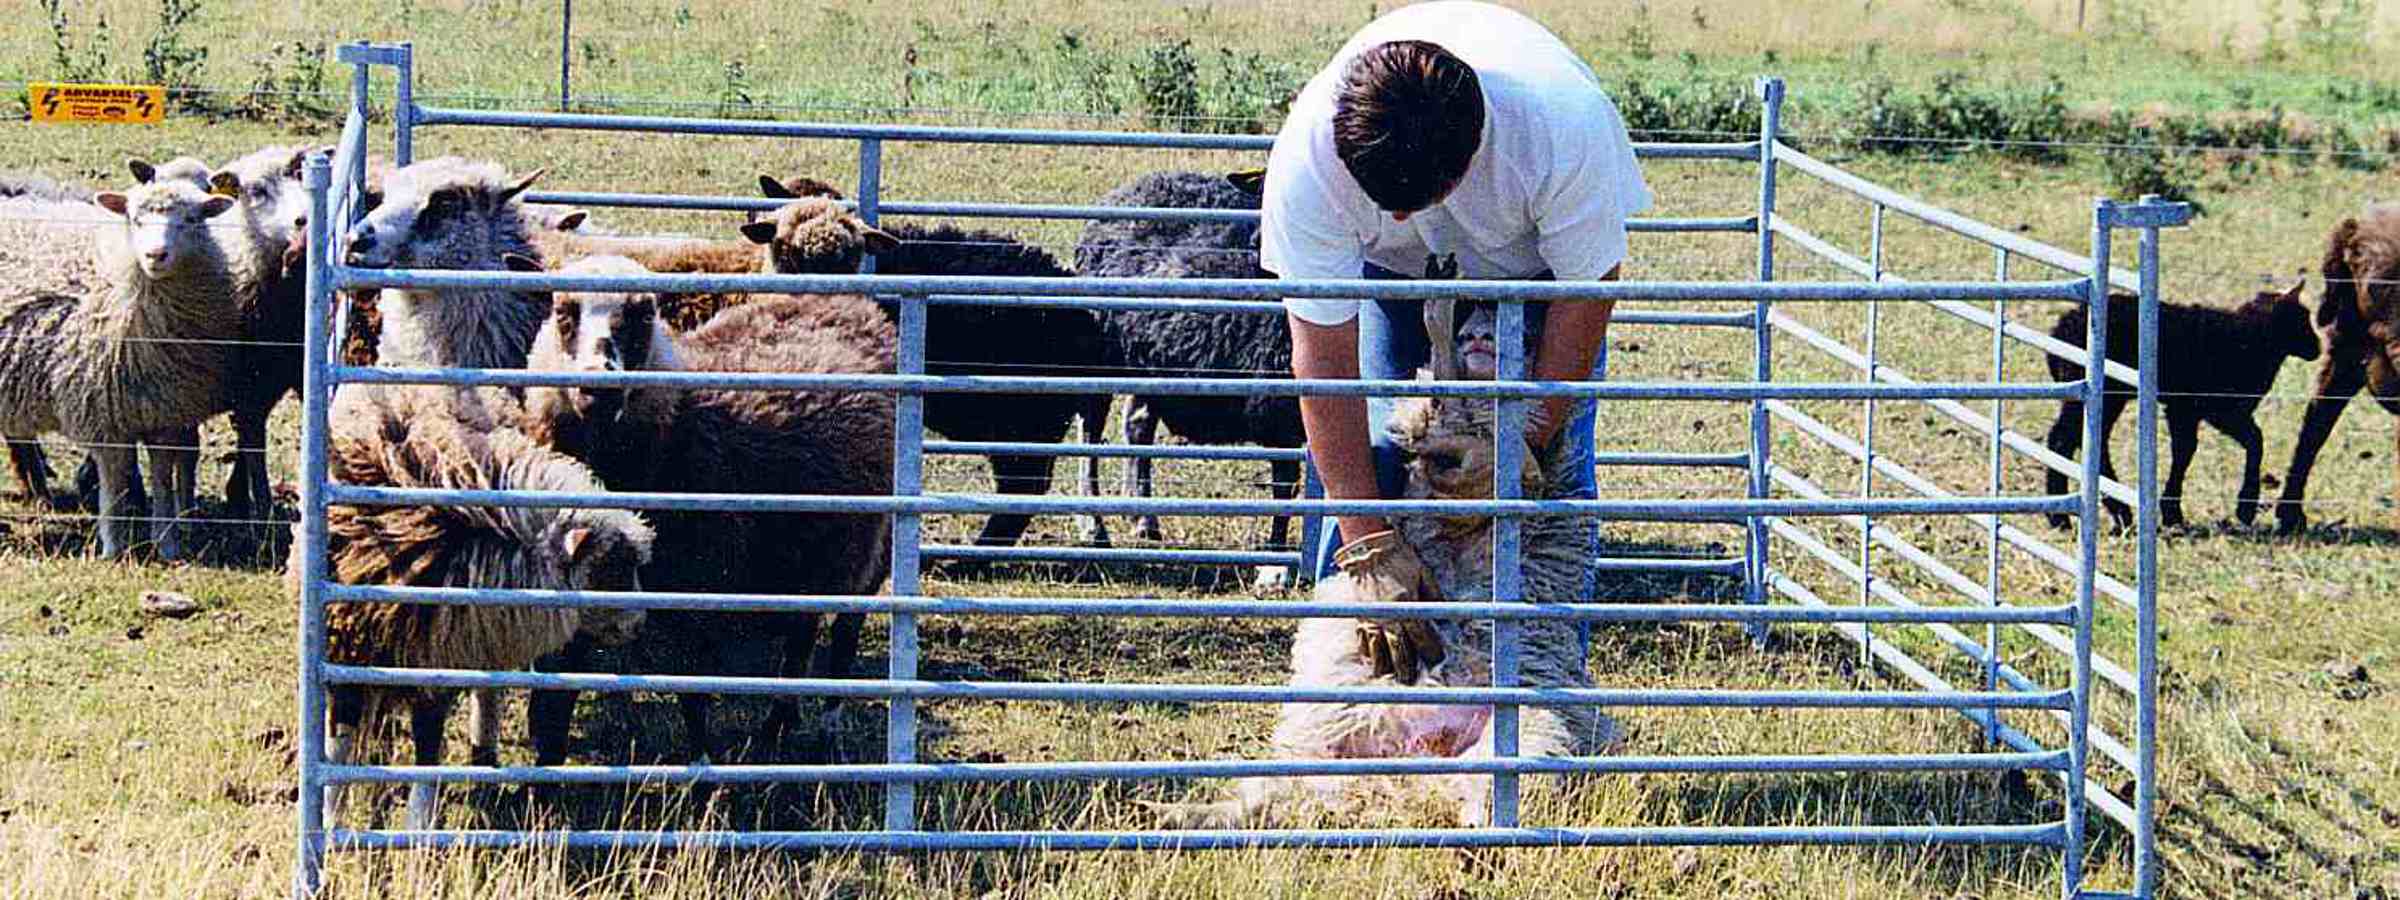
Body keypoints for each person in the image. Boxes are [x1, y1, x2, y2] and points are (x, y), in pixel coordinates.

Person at [1259, 1, 1652, 682]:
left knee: (1549, 486)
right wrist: (1366, 544)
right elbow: (1322, 358)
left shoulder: (1561, 126)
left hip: (1539, 282)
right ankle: (1346, 698)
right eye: (1386, 201)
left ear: (1472, 155)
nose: (1404, 214)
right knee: (1380, 454)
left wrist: (1527, 437)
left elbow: (1588, 287)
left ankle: (1539, 699)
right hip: (1393, 277)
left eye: (1416, 198)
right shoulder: (1308, 161)